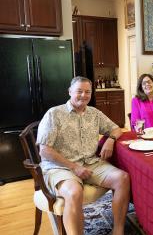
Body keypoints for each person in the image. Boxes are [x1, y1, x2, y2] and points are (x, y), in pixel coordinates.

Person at [36, 76, 130, 235]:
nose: (83, 95)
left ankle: (118, 230)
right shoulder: (54, 114)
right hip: (60, 167)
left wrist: (110, 140)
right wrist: (74, 167)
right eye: (79, 91)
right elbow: (44, 150)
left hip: (90, 163)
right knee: (74, 192)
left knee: (123, 178)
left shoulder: (94, 113)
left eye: (87, 92)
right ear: (70, 91)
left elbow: (116, 129)